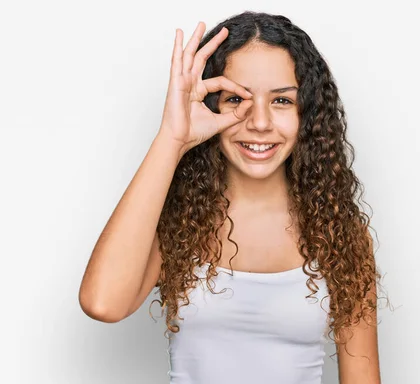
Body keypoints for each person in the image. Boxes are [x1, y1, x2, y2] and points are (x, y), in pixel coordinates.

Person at [79, 11, 388, 384]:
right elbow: (103, 303)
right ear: (211, 105)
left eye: (282, 101)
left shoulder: (339, 233)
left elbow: (363, 376)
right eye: (235, 98)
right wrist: (172, 138)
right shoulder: (177, 221)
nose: (259, 122)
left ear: (307, 114)